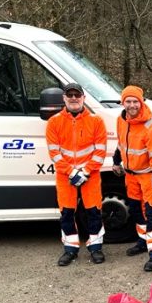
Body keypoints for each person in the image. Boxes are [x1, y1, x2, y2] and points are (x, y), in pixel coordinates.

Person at [46, 83, 107, 267]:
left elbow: (100, 151)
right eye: (70, 95)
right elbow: (54, 152)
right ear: (64, 98)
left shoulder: (96, 121)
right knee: (66, 213)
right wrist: (71, 172)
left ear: (83, 98)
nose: (73, 98)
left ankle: (96, 248)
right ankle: (70, 249)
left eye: (77, 95)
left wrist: (85, 172)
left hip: (90, 175)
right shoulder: (54, 122)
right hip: (66, 175)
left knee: (94, 211)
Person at [112, 85, 152, 272]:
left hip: (148, 176)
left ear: (141, 102)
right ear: (123, 102)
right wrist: (116, 160)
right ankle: (143, 242)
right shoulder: (121, 120)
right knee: (136, 211)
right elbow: (121, 143)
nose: (132, 105)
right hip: (130, 176)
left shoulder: (150, 127)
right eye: (129, 101)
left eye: (136, 101)